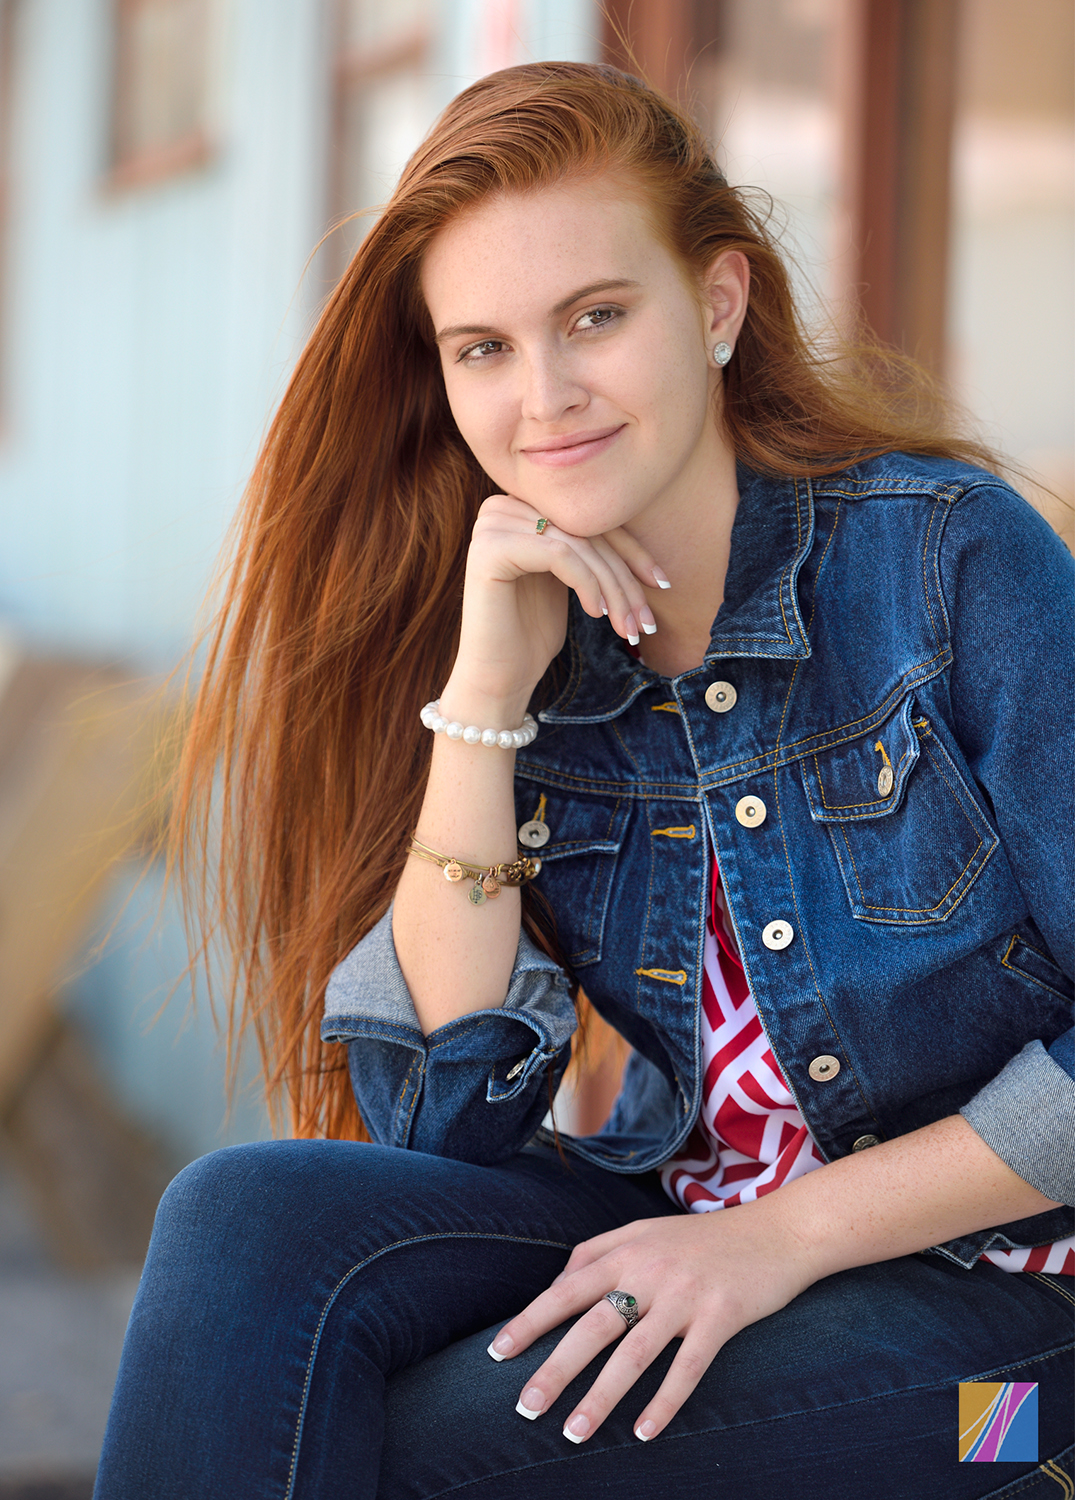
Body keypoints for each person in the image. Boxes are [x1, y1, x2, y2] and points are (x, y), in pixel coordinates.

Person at [94, 62, 1074, 1500]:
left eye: (596, 319)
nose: (542, 396)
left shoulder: (943, 561)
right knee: (243, 1222)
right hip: (689, 1219)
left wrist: (776, 1241)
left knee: (437, 1447)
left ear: (720, 305)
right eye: (482, 348)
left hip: (1022, 1366)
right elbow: (444, 1112)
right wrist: (485, 697)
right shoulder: (526, 622)